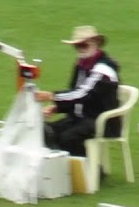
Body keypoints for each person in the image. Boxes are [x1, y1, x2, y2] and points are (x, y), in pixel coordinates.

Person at [34, 25, 121, 159]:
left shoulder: (103, 69)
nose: (80, 49)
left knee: (68, 138)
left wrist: (52, 96)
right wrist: (57, 108)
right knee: (46, 130)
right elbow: (76, 93)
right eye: (77, 46)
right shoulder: (81, 65)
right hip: (82, 117)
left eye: (83, 45)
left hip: (102, 121)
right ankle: (65, 168)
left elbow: (83, 94)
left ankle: (92, 172)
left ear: (95, 44)